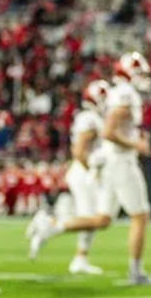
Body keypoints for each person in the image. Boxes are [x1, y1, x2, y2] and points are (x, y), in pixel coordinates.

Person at [26, 80, 111, 275]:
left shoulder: (91, 117)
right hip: (84, 172)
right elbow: (79, 150)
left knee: (91, 217)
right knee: (93, 218)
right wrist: (92, 171)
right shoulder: (89, 118)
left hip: (85, 171)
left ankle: (80, 256)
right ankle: (50, 225)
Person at [102, 52, 151, 286]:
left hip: (115, 160)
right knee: (140, 215)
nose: (144, 77)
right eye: (140, 73)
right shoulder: (126, 93)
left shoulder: (121, 92)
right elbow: (109, 132)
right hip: (122, 160)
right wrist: (135, 144)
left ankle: (52, 226)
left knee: (102, 219)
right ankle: (136, 272)